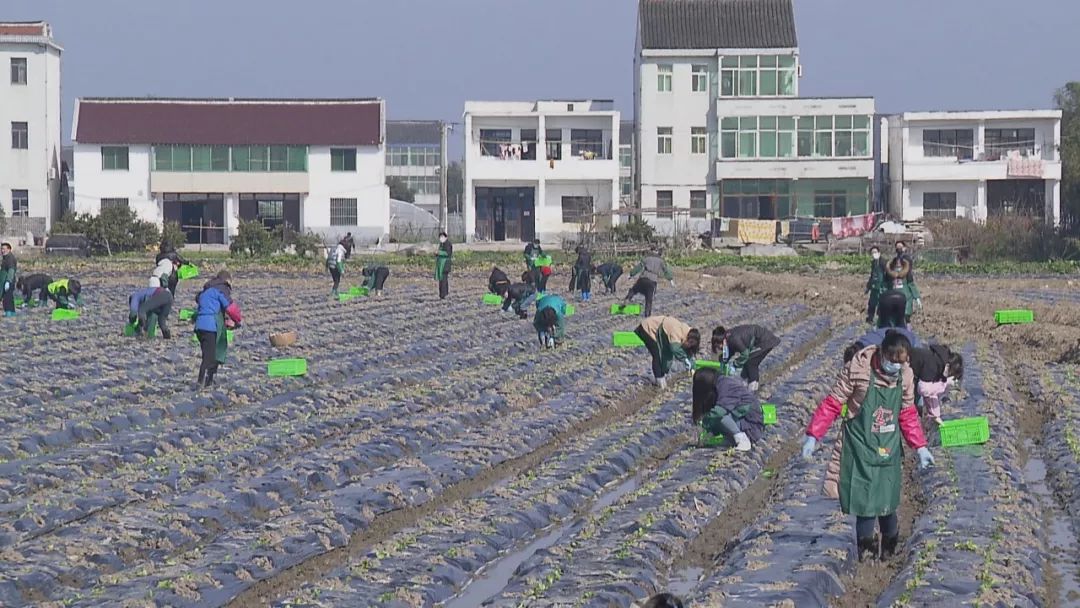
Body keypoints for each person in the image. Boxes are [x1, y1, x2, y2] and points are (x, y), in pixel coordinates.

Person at [801, 331, 934, 562]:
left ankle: (890, 547)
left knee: (887, 499)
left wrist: (920, 446)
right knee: (864, 502)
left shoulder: (905, 376)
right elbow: (833, 403)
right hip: (860, 445)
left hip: (888, 446)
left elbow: (907, 413)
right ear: (882, 353)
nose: (896, 366)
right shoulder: (859, 370)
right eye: (892, 360)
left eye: (901, 362)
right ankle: (866, 553)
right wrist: (814, 434)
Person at [692, 367, 765, 452]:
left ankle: (742, 439)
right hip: (740, 418)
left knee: (719, 415)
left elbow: (721, 411)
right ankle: (731, 438)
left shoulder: (726, 385)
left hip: (750, 424)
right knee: (714, 416)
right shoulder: (718, 384)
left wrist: (705, 422)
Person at [194, 271, 242, 387]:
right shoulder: (221, 289)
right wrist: (237, 321)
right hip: (210, 327)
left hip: (200, 326)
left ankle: (208, 381)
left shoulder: (207, 290)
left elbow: (207, 306)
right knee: (210, 357)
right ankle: (202, 383)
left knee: (209, 354)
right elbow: (231, 308)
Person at [634, 315, 701, 389]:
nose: (689, 346)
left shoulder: (686, 335)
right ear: (688, 338)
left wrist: (692, 366)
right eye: (689, 343)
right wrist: (684, 359)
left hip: (660, 331)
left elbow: (688, 353)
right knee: (658, 355)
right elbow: (675, 349)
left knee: (663, 356)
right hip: (647, 328)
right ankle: (660, 381)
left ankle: (660, 379)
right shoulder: (677, 330)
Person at [711, 324, 780, 393]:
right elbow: (730, 351)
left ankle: (752, 390)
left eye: (719, 346)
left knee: (751, 362)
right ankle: (744, 387)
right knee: (747, 363)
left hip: (765, 340)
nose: (720, 348)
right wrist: (722, 361)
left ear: (721, 341)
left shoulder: (733, 339)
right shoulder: (727, 338)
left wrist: (735, 364)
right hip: (757, 342)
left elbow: (745, 354)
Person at [909, 344, 964, 424]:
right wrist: (944, 384)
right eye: (951, 375)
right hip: (904, 371)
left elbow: (932, 394)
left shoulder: (942, 366)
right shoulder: (933, 364)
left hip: (916, 378)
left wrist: (936, 416)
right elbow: (924, 390)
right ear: (949, 367)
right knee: (911, 406)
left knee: (918, 408)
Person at [625, 250, 674, 317]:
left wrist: (631, 275)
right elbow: (666, 270)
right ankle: (647, 315)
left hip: (643, 279)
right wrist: (670, 279)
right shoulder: (661, 261)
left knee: (634, 289)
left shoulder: (646, 258)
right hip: (652, 282)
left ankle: (627, 300)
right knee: (649, 300)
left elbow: (638, 267)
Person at [885, 257, 917, 324]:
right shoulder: (889, 275)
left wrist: (916, 297)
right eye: (896, 264)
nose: (898, 265)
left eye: (899, 264)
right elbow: (886, 286)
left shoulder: (907, 274)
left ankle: (907, 330)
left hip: (905, 297)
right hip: (893, 297)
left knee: (906, 316)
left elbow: (911, 285)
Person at [864, 246, 887, 325]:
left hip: (881, 287)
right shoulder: (873, 263)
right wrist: (868, 286)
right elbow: (872, 275)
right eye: (872, 253)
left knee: (881, 304)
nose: (874, 254)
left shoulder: (883, 262)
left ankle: (881, 320)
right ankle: (870, 318)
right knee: (872, 303)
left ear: (879, 253)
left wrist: (885, 286)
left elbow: (887, 275)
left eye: (875, 252)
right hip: (874, 286)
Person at [436, 232, 453, 300]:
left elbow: (448, 253)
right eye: (440, 237)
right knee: (441, 280)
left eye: (442, 237)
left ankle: (444, 294)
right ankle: (442, 294)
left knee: (444, 280)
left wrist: (439, 253)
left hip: (445, 264)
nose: (441, 238)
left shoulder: (448, 244)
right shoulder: (441, 244)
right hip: (441, 265)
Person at [0, 243, 16, 317]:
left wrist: (8, 281)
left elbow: (11, 270)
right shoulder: (5, 258)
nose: (2, 250)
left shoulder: (10, 258)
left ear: (9, 249)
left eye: (4, 249)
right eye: (1, 249)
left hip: (8, 281)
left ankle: (9, 313)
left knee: (7, 298)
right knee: (9, 297)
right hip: (4, 280)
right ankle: (12, 313)